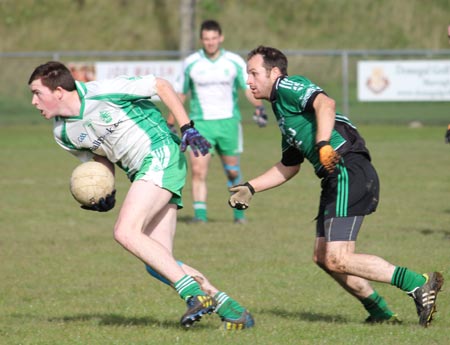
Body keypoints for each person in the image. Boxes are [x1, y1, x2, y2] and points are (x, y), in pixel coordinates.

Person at [28, 61, 254, 330]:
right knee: (158, 262)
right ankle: (229, 307)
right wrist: (104, 191)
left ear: (58, 92)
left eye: (37, 93)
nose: (33, 101)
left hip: (160, 154)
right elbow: (100, 162)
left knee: (125, 231)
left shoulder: (103, 91)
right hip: (142, 173)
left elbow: (161, 85)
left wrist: (186, 127)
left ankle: (193, 296)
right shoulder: (63, 133)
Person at [228, 46, 444, 327]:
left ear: (275, 73)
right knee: (323, 257)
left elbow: (325, 104)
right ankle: (379, 311)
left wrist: (322, 144)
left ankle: (417, 283)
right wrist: (251, 187)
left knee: (339, 257)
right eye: (248, 74)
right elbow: (289, 165)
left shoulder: (287, 86)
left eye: (254, 73)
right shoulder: (282, 111)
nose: (249, 80)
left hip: (345, 168)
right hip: (333, 176)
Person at [171, 19, 268, 224]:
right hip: (201, 124)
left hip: (228, 123)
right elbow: (181, 94)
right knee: (198, 170)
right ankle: (200, 216)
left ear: (220, 38)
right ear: (201, 40)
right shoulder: (191, 63)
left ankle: (239, 214)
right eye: (206, 39)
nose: (210, 42)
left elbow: (247, 88)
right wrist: (172, 121)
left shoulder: (233, 62)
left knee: (232, 171)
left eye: (214, 38)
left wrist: (259, 107)